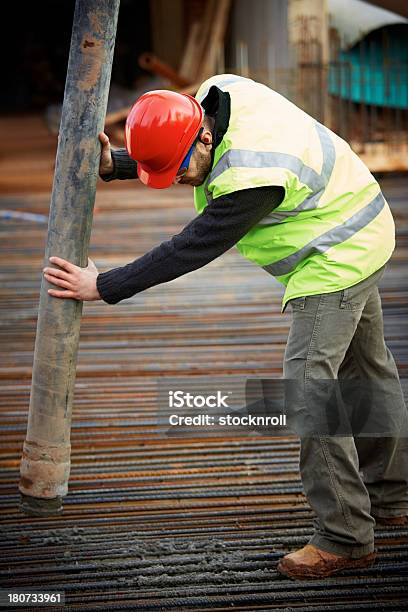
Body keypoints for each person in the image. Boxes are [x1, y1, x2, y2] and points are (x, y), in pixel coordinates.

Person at [43, 74, 408, 580]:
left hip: (335, 256)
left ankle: (346, 537)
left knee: (307, 388)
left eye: (180, 171)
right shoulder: (214, 96)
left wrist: (104, 284)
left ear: (207, 138)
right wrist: (119, 164)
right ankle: (393, 497)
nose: (179, 182)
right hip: (365, 218)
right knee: (369, 371)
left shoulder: (252, 177)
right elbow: (181, 156)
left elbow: (192, 246)